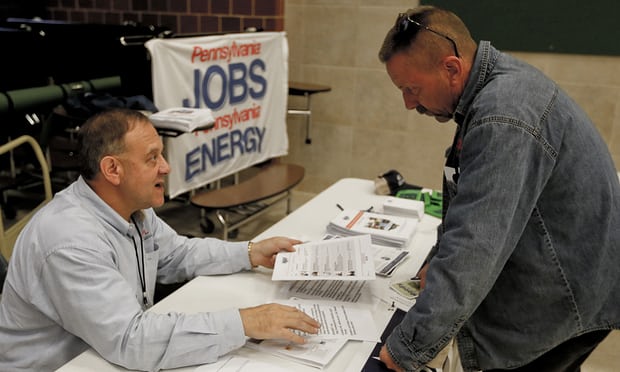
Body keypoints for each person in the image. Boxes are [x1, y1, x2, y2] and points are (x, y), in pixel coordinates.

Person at [377, 5, 620, 372]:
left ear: (451, 68)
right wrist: (436, 260)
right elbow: (469, 199)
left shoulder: (503, 115)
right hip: (575, 275)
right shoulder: (494, 87)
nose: (409, 103)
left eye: (412, 89)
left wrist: (408, 349)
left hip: (567, 293)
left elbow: (475, 245)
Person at [0, 108, 320, 371]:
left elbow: (176, 254)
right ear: (112, 169)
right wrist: (245, 322)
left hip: (100, 354)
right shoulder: (70, 240)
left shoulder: (132, 209)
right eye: (152, 158)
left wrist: (250, 253)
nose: (165, 168)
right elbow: (130, 341)